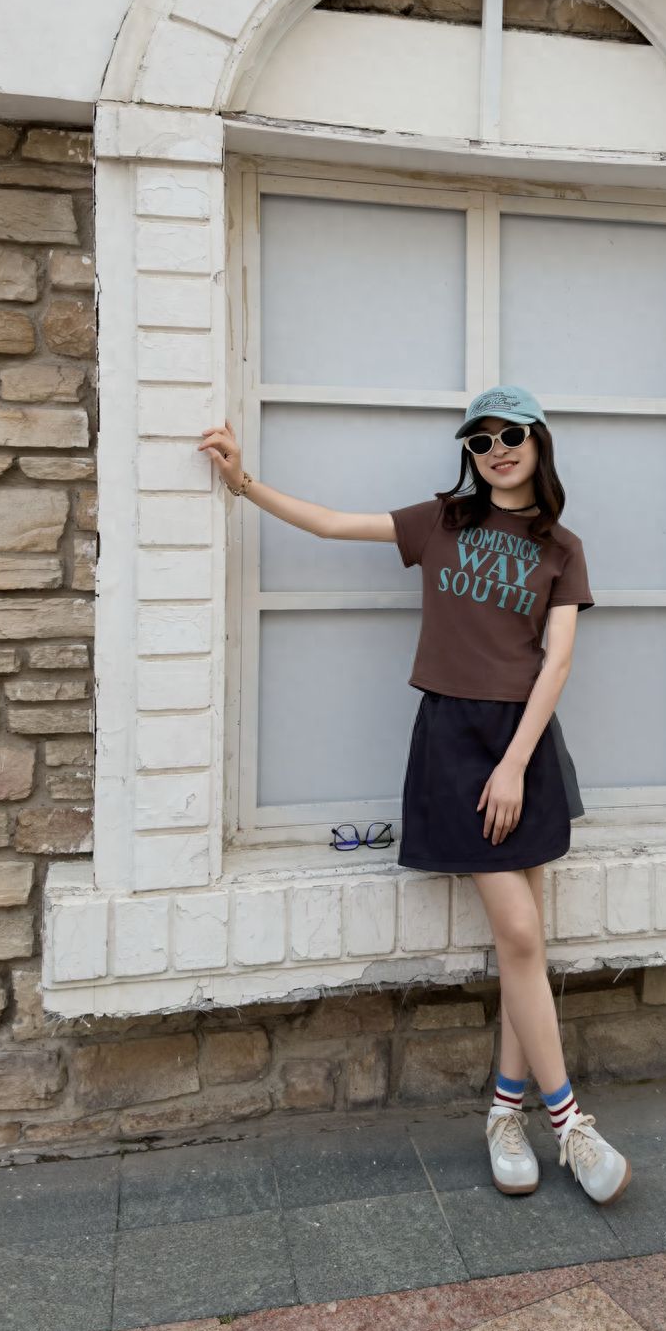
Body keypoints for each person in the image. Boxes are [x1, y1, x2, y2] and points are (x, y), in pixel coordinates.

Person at [199, 384, 631, 1207]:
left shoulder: (562, 546)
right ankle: (570, 1122)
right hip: (451, 740)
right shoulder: (443, 523)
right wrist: (243, 483)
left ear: (539, 443)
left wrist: (513, 765)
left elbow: (558, 662)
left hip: (523, 746)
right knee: (520, 934)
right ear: (468, 455)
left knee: (523, 943)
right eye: (479, 440)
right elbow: (333, 524)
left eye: (511, 434)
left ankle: (507, 1114)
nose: (496, 449)